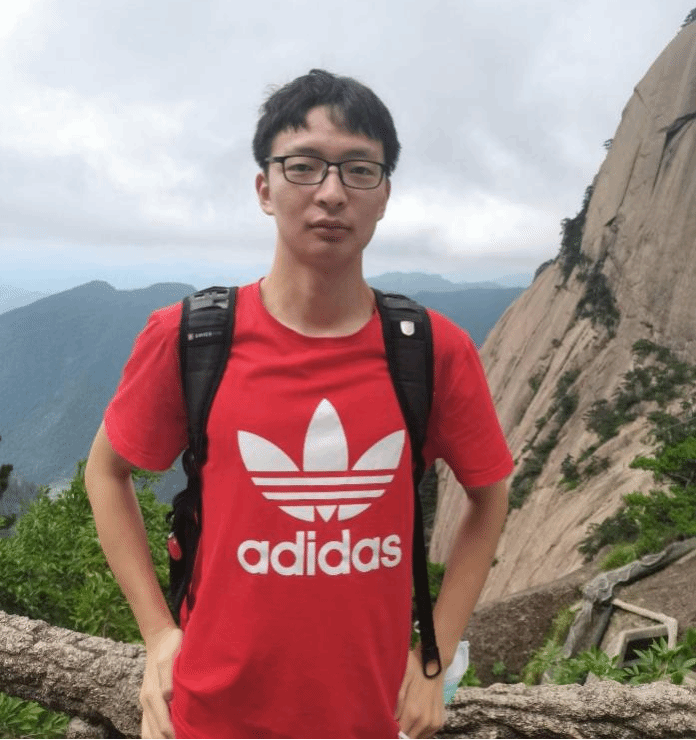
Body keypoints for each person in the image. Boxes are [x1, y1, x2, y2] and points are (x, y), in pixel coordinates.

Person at [84, 69, 513, 740]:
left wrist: (434, 654)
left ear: (385, 195)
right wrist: (158, 633)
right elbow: (106, 472)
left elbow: (490, 498)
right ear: (265, 188)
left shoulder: (433, 352)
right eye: (304, 166)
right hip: (209, 716)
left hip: (371, 717)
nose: (332, 193)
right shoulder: (191, 338)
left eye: (359, 170)